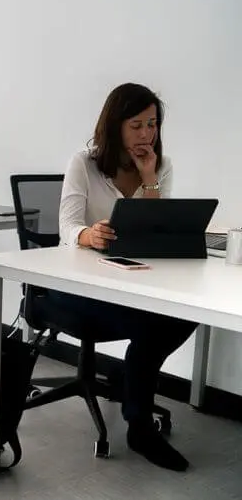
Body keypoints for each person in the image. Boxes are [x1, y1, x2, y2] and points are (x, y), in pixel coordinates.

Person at [56, 83, 196, 472]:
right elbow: (65, 227)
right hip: (74, 287)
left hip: (129, 280)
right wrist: (87, 234)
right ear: (115, 125)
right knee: (153, 321)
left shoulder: (160, 166)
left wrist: (149, 176)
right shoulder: (83, 163)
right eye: (137, 125)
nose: (146, 134)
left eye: (152, 124)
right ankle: (139, 424)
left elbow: (154, 231)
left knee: (185, 312)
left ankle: (128, 376)